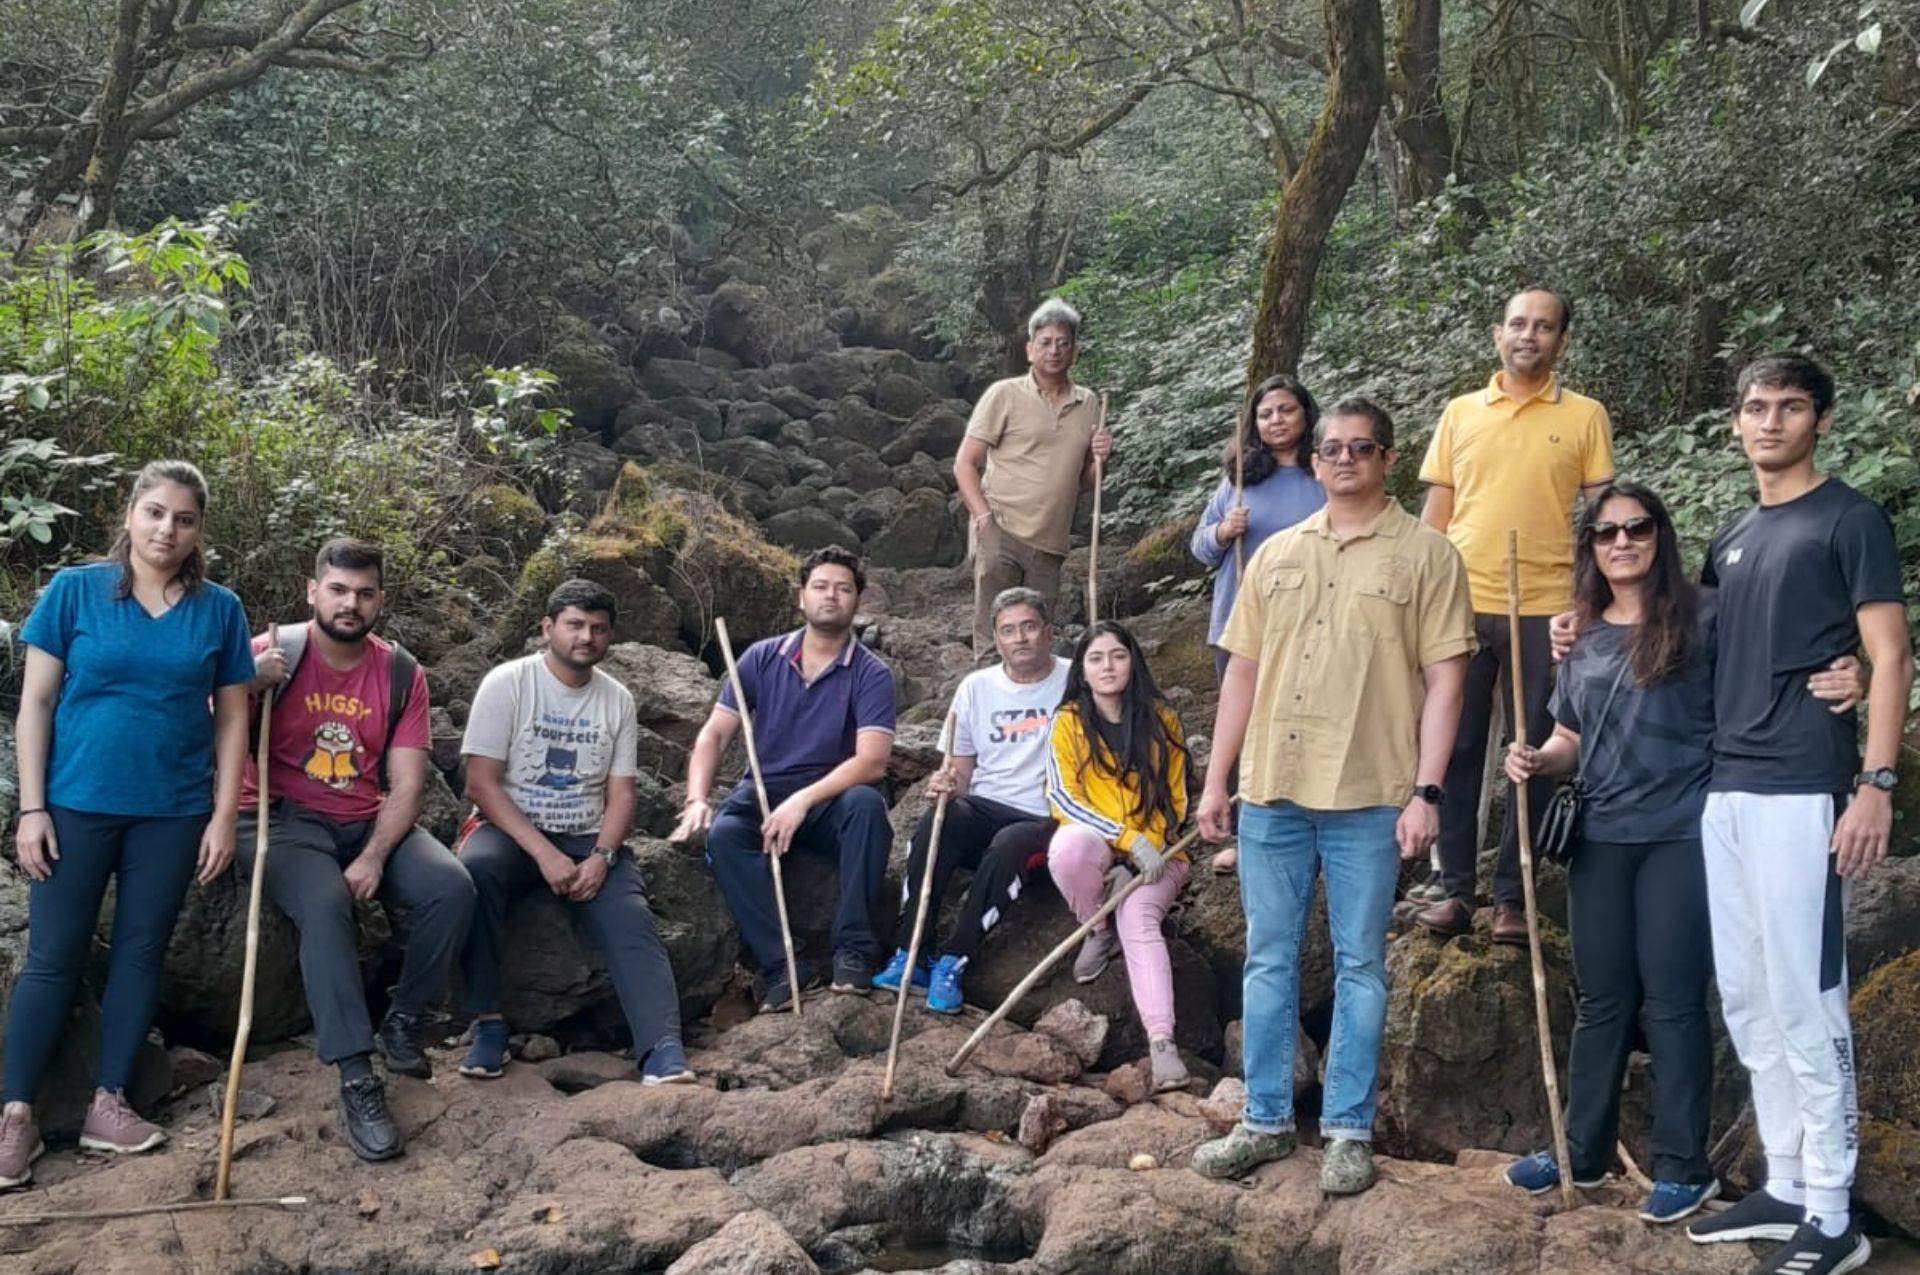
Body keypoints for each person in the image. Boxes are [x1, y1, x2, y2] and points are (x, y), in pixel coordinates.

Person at [1189, 399, 1474, 1198]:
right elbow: (1240, 671)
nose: (1344, 459)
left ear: (1387, 459)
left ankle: (1348, 1127)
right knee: (1269, 957)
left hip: (1372, 793)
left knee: (1360, 964)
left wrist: (1427, 790)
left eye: (1361, 448)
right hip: (1273, 791)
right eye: (1331, 449)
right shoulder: (1274, 552)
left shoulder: (1427, 554)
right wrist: (1218, 779)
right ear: (1311, 461)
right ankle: (1267, 1119)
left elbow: (1448, 679)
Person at [1672, 356, 1910, 1275]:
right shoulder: (1732, 533)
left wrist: (1875, 783)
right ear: (1735, 423)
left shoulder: (1850, 518)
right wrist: (1581, 627)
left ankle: (1836, 1210)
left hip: (1803, 787)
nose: (1771, 421)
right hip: (1724, 790)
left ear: (1821, 417)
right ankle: (1786, 1180)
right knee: (1746, 993)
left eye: (1792, 406)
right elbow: (1695, 650)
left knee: (1809, 998)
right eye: (1757, 407)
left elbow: (1889, 655)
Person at [2, 460, 254, 1188]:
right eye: (154, 512)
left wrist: (221, 814)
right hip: (77, 803)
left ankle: (108, 1104)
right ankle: (15, 1115)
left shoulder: (219, 609)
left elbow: (233, 717)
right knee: (53, 955)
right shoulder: (75, 591)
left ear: (199, 528)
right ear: (130, 513)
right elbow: (37, 704)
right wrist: (31, 807)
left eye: (183, 518)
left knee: (141, 955)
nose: (166, 529)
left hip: (172, 813)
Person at [237, 538, 474, 1163]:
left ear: (380, 602)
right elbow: (210, 730)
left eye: (364, 594)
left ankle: (405, 1018)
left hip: (361, 816)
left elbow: (410, 782)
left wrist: (372, 855)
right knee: (325, 904)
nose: (351, 604)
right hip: (279, 816)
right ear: (313, 591)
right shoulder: (272, 651)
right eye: (338, 590)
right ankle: (355, 1075)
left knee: (450, 886)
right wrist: (249, 686)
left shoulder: (399, 673)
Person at [1414, 287, 1616, 941]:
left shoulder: (1585, 415)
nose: (1529, 334)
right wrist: (1417, 594)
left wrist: (1591, 601)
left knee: (1531, 749)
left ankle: (1513, 893)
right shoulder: (1461, 411)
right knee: (1458, 743)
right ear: (1497, 333)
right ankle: (1453, 888)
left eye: (1544, 326)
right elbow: (1435, 515)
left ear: (1562, 340)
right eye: (1518, 324)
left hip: (1548, 607)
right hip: (1462, 603)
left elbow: (1604, 517)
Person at [456, 580, 692, 1087]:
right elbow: (480, 782)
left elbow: (623, 795)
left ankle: (662, 1047)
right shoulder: (507, 683)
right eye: (575, 625)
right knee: (473, 874)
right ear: (548, 628)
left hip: (587, 833)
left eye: (599, 628)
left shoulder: (618, 700)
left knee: (629, 913)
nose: (586, 637)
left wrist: (603, 856)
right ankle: (488, 1025)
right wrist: (544, 855)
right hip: (511, 829)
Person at [671, 545, 896, 1011]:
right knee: (728, 836)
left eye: (843, 588)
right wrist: (696, 798)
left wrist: (802, 802)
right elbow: (714, 734)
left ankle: (854, 949)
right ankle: (783, 964)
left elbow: (872, 762)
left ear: (858, 601)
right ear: (801, 598)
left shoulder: (872, 674)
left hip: (831, 797)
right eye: (820, 586)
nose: (831, 596)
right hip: (764, 791)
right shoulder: (760, 657)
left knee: (868, 807)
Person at [872, 587, 1068, 1014]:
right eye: (1008, 631)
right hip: (987, 805)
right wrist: (946, 784)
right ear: (995, 641)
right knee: (941, 819)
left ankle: (953, 960)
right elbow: (961, 773)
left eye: (1029, 627)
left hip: (1047, 817)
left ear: (1048, 633)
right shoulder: (976, 688)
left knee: (1012, 842)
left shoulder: (1075, 681)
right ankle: (911, 953)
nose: (1020, 639)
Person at [1044, 621, 1193, 1092]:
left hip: (1160, 852)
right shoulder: (1067, 720)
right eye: (1095, 658)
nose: (1107, 667)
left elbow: (1179, 798)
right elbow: (1063, 799)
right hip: (1104, 843)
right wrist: (1127, 841)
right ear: (1082, 670)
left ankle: (1162, 1043)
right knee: (1068, 848)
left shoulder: (1162, 719)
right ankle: (1096, 927)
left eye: (1117, 655)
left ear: (1133, 661)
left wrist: (1152, 847)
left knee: (1139, 915)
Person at [1189, 373, 1326, 872]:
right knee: (1244, 725)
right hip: (1240, 619)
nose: (1276, 420)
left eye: (1286, 410)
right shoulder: (1240, 478)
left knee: (1303, 725)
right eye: (1266, 414)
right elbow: (1199, 547)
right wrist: (1224, 531)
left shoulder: (1323, 474)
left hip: (1309, 624)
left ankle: (1308, 830)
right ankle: (1246, 833)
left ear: (1305, 415)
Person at [954, 298, 1115, 654]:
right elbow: (965, 463)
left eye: (1063, 343)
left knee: (1037, 638)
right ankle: (987, 701)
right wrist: (982, 518)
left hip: (1051, 541)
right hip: (1002, 527)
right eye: (1044, 342)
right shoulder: (1004, 395)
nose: (1053, 351)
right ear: (1029, 350)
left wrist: (1102, 457)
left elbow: (1087, 481)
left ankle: (1035, 708)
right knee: (996, 631)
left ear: (1075, 351)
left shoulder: (1089, 404)